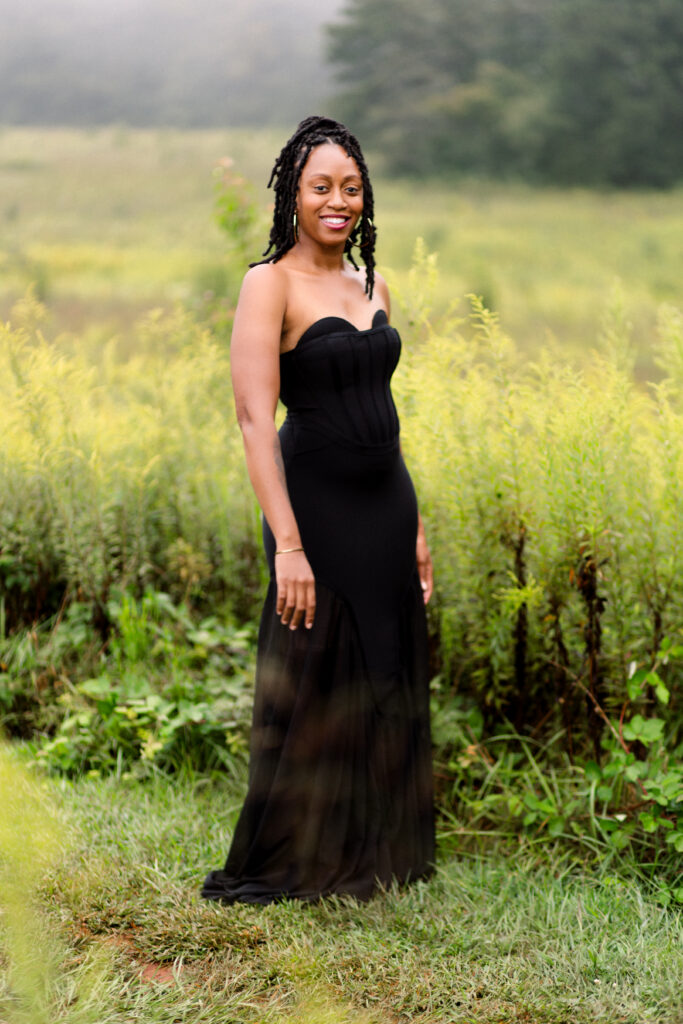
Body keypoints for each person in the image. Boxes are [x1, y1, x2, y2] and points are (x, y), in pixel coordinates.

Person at [201, 115, 434, 904]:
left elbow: (381, 406)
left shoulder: (372, 285)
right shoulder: (267, 284)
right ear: (291, 196)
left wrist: (418, 528)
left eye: (350, 187)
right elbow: (251, 419)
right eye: (320, 187)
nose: (337, 200)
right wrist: (288, 547)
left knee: (384, 660)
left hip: (385, 503)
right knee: (316, 666)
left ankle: (376, 849)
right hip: (314, 508)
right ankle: (301, 852)